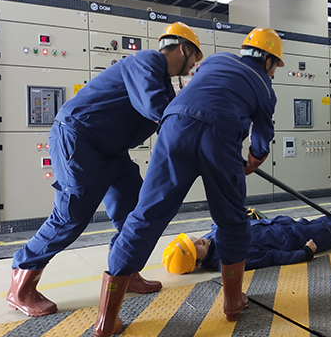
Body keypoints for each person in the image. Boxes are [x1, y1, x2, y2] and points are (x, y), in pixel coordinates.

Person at [93, 28, 283, 337]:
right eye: (275, 67)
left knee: (145, 215)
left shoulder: (216, 60)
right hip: (220, 137)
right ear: (269, 61)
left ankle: (106, 318)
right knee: (231, 220)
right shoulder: (264, 85)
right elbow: (262, 134)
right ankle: (233, 302)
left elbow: (197, 92)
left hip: (175, 127)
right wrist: (253, 160)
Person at [7, 22, 203, 318]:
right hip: (80, 139)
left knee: (134, 211)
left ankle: (126, 271)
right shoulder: (148, 61)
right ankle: (21, 286)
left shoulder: (162, 80)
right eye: (194, 57)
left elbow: (168, 115)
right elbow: (158, 110)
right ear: (182, 48)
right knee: (71, 216)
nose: (193, 66)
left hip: (111, 150)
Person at [161, 200, 331, 274]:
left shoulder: (208, 239)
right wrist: (305, 253)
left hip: (280, 225)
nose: (197, 241)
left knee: (316, 223)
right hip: (294, 240)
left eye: (191, 239)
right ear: (198, 263)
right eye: (195, 247)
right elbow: (272, 258)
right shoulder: (229, 258)